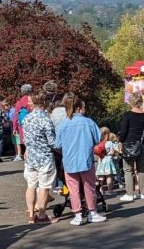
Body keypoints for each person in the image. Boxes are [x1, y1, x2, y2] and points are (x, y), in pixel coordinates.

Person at [55, 94, 105, 226]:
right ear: (79, 108)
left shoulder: (63, 124)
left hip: (70, 161)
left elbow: (58, 144)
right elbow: (98, 138)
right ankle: (92, 212)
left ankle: (77, 215)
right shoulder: (88, 122)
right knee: (89, 187)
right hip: (85, 159)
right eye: (84, 107)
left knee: (73, 188)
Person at [20, 91, 57, 223]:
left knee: (31, 185)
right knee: (44, 186)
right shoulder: (45, 119)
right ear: (44, 102)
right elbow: (52, 142)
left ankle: (31, 214)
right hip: (44, 156)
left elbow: (24, 139)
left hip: (31, 156)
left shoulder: (26, 119)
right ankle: (42, 214)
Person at [116, 96, 144, 201]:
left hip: (129, 145)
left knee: (128, 169)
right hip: (142, 145)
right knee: (141, 169)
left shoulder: (127, 115)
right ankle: (142, 193)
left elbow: (123, 131)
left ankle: (129, 194)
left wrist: (121, 142)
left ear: (131, 102)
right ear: (141, 102)